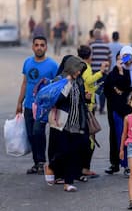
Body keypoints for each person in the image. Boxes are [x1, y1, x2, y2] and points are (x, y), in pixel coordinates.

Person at [44, 56, 90, 192]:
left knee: (73, 152)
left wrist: (86, 99)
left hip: (76, 122)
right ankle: (51, 166)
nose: (79, 72)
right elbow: (56, 100)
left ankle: (68, 183)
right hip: (62, 122)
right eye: (77, 69)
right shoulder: (60, 80)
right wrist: (68, 83)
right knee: (63, 151)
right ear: (71, 68)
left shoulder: (79, 81)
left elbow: (79, 101)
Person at [16, 36, 58, 175]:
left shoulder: (52, 65)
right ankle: (36, 163)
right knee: (30, 135)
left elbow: (58, 85)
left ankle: (41, 162)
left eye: (42, 45)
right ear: (33, 47)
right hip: (28, 105)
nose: (39, 47)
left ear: (46, 47)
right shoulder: (27, 62)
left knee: (38, 132)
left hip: (43, 107)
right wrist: (19, 102)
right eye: (37, 45)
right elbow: (25, 83)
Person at [104, 46, 132, 176]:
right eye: (120, 58)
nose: (123, 60)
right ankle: (117, 163)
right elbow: (108, 88)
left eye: (125, 57)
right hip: (116, 109)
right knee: (117, 136)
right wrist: (116, 95)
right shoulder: (114, 71)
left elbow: (127, 85)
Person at [78, 45, 109, 177]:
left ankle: (82, 167)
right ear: (90, 56)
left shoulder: (79, 66)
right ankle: (85, 168)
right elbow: (88, 80)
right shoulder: (86, 67)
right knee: (90, 138)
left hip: (85, 105)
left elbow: (88, 84)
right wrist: (101, 72)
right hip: (87, 108)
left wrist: (97, 87)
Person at [89, 28, 111, 114]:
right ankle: (101, 108)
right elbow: (110, 58)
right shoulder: (106, 46)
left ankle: (94, 105)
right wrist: (108, 69)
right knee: (101, 89)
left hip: (93, 71)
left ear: (94, 36)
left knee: (92, 88)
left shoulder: (92, 46)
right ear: (101, 36)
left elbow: (89, 58)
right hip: (103, 72)